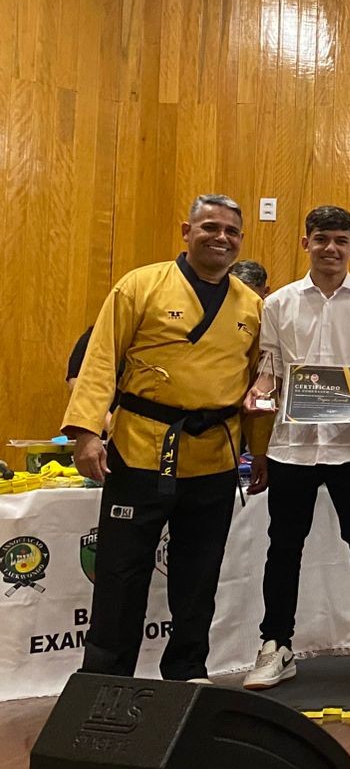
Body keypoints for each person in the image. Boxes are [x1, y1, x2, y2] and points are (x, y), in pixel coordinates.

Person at [62, 194, 267, 681]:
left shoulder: (251, 304)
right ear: (186, 231)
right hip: (140, 448)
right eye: (210, 227)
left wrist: (259, 450)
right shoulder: (142, 285)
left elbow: (259, 384)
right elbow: (100, 361)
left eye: (231, 232)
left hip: (215, 455)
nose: (221, 237)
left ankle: (188, 668)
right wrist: (87, 431)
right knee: (121, 571)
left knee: (199, 575)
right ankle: (106, 675)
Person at [242, 206, 350, 690]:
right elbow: (268, 371)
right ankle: (275, 645)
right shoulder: (278, 305)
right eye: (321, 239)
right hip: (292, 446)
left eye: (340, 240)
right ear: (305, 243)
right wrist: (259, 393)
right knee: (283, 548)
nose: (330, 248)